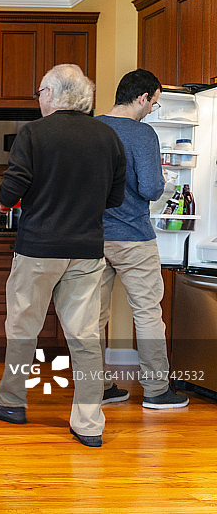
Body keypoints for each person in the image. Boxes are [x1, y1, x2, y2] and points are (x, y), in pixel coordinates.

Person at [0, 64, 126, 448]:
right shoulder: (108, 136)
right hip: (88, 251)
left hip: (39, 249)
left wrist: (10, 202)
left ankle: (12, 400)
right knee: (87, 337)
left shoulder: (34, 134)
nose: (38, 98)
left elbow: (9, 194)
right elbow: (115, 198)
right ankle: (90, 424)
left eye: (40, 91)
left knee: (23, 329)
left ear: (55, 95)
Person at [96, 69, 189, 409]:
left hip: (93, 237)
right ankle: (156, 391)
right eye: (153, 102)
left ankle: (101, 387)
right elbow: (150, 188)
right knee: (148, 313)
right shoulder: (142, 133)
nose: (152, 109)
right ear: (141, 97)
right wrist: (161, 180)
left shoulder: (92, 127)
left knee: (93, 316)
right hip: (134, 237)